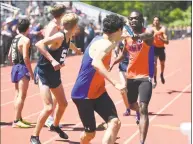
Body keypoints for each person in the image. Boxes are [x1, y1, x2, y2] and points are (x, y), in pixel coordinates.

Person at [71, 14, 128, 144]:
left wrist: (118, 39)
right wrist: (116, 83)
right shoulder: (106, 44)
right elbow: (96, 63)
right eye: (122, 29)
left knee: (114, 122)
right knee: (90, 135)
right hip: (83, 95)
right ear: (118, 30)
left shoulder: (101, 39)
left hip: (98, 92)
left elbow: (110, 42)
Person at [30, 13, 79, 144]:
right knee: (48, 107)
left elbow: (69, 45)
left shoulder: (68, 38)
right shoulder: (60, 36)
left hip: (54, 74)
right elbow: (39, 44)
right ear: (74, 26)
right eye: (77, 26)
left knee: (63, 104)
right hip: (43, 73)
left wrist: (77, 50)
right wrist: (53, 61)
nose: (78, 28)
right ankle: (34, 136)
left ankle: (55, 125)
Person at [109, 11, 154, 144]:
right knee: (131, 104)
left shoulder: (148, 32)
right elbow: (124, 54)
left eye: (135, 18)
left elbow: (148, 35)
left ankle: (141, 141)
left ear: (141, 20)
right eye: (130, 19)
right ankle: (141, 113)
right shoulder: (127, 37)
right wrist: (113, 62)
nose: (133, 21)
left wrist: (137, 36)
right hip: (131, 77)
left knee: (144, 108)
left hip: (145, 77)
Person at [43, 3, 81, 128]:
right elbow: (45, 45)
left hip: (55, 65)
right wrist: (54, 59)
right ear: (63, 14)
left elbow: (65, 40)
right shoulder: (53, 26)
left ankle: (51, 118)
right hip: (47, 66)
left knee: (56, 95)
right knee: (53, 96)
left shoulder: (60, 27)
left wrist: (74, 49)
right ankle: (50, 118)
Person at [8, 19, 34, 128]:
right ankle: (16, 120)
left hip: (15, 67)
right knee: (22, 95)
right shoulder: (25, 40)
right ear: (27, 28)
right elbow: (25, 57)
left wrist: (15, 66)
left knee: (17, 94)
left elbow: (9, 55)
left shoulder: (15, 39)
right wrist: (31, 73)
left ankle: (18, 118)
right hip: (22, 67)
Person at [152, 16, 169, 88]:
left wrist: (162, 39)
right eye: (155, 20)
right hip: (154, 48)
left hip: (161, 48)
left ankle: (161, 74)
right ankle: (155, 79)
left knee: (162, 64)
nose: (156, 22)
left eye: (157, 20)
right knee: (154, 63)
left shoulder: (163, 29)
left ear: (159, 22)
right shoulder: (151, 29)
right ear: (153, 22)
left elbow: (167, 42)